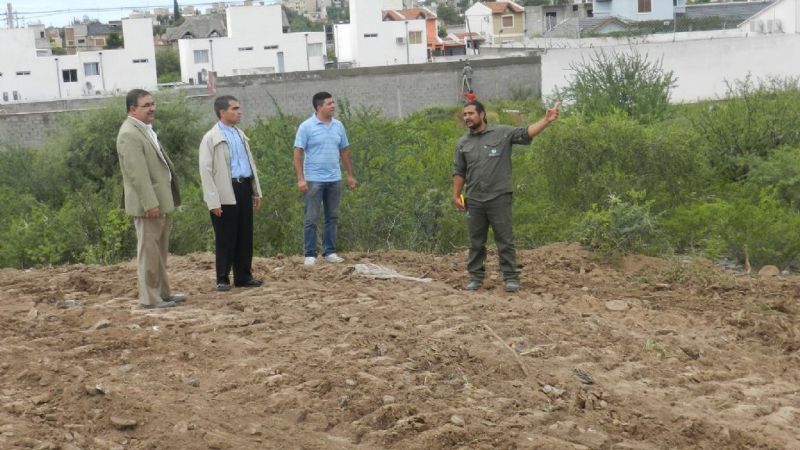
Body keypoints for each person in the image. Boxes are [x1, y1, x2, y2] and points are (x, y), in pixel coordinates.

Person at [452, 100, 560, 292]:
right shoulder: (463, 143)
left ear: (482, 115)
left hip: (499, 196)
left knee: (505, 239)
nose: (467, 117)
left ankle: (510, 277)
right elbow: (459, 171)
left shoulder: (502, 133)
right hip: (474, 199)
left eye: (470, 114)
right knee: (476, 241)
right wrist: (456, 195)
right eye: (465, 114)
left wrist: (546, 121)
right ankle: (475, 277)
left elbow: (526, 132)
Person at [116, 89, 186, 309]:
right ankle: (150, 299)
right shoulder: (129, 133)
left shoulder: (144, 130)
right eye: (146, 105)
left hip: (159, 201)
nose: (152, 108)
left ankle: (163, 293)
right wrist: (150, 203)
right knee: (148, 252)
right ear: (132, 109)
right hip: (149, 205)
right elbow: (137, 174)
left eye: (153, 104)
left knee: (160, 251)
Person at [199, 95, 264, 291]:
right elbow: (206, 170)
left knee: (245, 234)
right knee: (226, 236)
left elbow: (249, 165)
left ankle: (243, 276)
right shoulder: (211, 138)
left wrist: (255, 191)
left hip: (243, 186)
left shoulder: (240, 134)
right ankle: (222, 278)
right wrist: (213, 201)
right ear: (222, 112)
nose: (239, 112)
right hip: (225, 190)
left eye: (239, 108)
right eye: (234, 108)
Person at [293, 91, 356, 266]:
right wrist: (301, 178)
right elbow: (298, 152)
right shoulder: (306, 126)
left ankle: (330, 251)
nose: (333, 106)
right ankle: (310, 254)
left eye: (333, 103)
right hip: (313, 179)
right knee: (311, 217)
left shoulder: (338, 126)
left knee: (332, 217)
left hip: (334, 178)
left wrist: (350, 175)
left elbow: (344, 151)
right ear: (319, 107)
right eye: (329, 104)